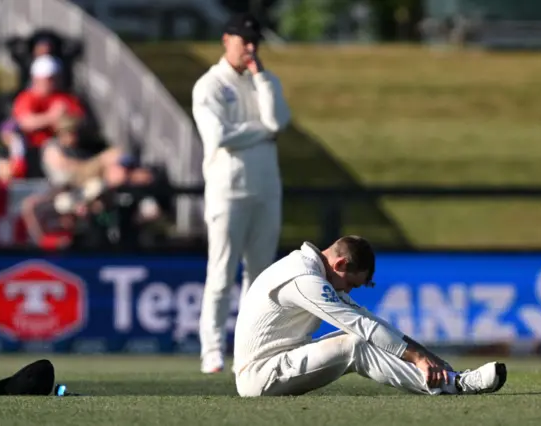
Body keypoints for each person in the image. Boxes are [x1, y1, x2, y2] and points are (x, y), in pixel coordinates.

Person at [233, 236, 508, 397]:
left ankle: (448, 376)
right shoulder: (305, 279)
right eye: (351, 283)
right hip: (258, 376)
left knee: (360, 338)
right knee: (355, 345)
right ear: (340, 264)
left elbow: (367, 319)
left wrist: (427, 356)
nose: (347, 290)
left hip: (279, 361)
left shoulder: (313, 270)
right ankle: (456, 385)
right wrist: (418, 358)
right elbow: (362, 326)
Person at [192, 12, 291, 374]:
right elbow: (218, 137)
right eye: (243, 41)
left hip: (266, 190)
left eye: (254, 42)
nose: (250, 49)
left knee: (261, 276)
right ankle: (212, 350)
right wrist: (261, 131)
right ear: (226, 40)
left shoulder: (263, 79)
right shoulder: (210, 85)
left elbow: (279, 122)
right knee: (220, 274)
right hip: (227, 192)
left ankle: (250, 349)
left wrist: (261, 79)